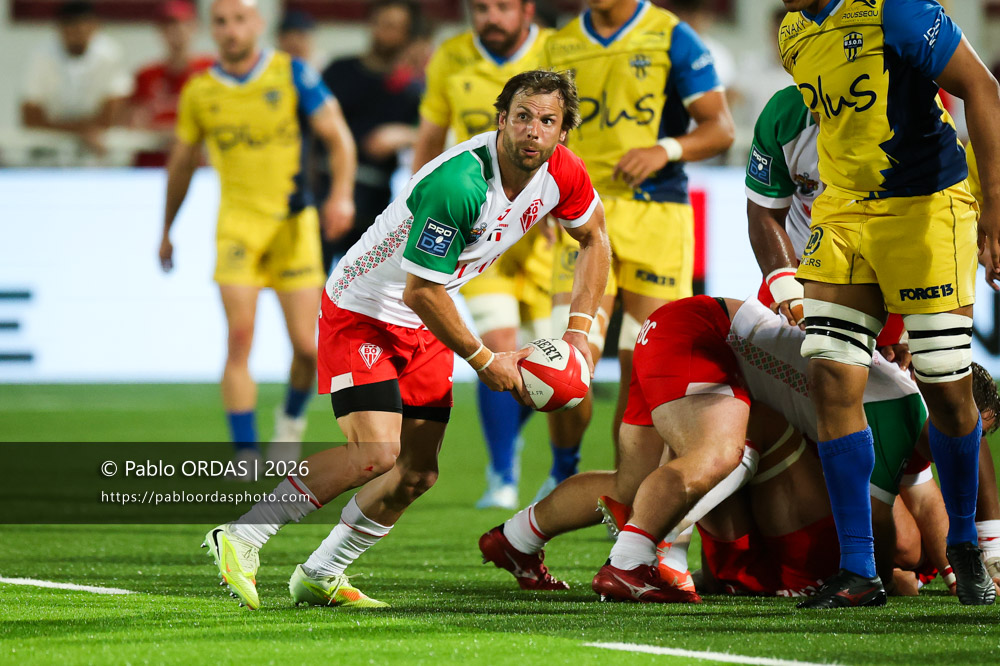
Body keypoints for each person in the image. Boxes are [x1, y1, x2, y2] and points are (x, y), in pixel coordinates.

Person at [202, 70, 612, 611]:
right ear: (500, 119)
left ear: (563, 132)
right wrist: (485, 359)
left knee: (417, 473)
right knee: (374, 453)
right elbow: (421, 290)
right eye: (522, 116)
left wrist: (579, 334)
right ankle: (242, 536)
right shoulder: (460, 184)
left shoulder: (564, 172)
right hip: (364, 310)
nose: (532, 130)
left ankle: (322, 573)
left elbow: (595, 236)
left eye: (547, 121)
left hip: (425, 320)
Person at [478, 295, 928, 602]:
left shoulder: (866, 369)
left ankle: (517, 537)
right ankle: (632, 563)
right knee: (718, 452)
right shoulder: (896, 405)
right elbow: (905, 547)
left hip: (673, 330)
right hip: (700, 336)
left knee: (633, 487)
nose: (893, 357)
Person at [778, 0, 1000, 607]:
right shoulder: (793, 34)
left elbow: (983, 87)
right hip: (845, 211)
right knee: (829, 373)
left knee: (945, 383)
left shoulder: (898, 10)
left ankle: (963, 543)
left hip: (928, 209)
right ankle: (858, 570)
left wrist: (996, 212)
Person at [542, 0, 734, 498]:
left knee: (644, 376)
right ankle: (564, 470)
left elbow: (721, 128)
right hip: (581, 216)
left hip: (657, 218)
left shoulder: (672, 37)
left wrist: (664, 149)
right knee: (563, 365)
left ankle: (625, 495)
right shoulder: (557, 44)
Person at [158, 0, 357, 462]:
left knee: (308, 349)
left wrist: (341, 194)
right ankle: (245, 454)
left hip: (293, 227)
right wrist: (167, 228)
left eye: (239, 20)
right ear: (212, 29)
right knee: (239, 339)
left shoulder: (293, 74)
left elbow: (338, 135)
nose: (230, 31)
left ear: (258, 24)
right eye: (221, 22)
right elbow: (182, 164)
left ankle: (289, 422)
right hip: (237, 229)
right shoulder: (200, 91)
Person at [411, 0, 559, 510]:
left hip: (542, 235)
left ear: (526, 9)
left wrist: (557, 209)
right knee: (496, 343)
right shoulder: (450, 57)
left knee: (553, 361)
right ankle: (502, 473)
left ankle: (562, 466)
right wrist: (416, 202)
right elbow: (431, 137)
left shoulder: (557, 52)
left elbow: (566, 142)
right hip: (480, 235)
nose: (490, 17)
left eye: (501, 7)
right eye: (480, 7)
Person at [316, 0, 423, 274]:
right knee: (311, 284)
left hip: (375, 201)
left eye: (398, 28)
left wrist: (404, 134)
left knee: (360, 290)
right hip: (324, 190)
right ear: (371, 25)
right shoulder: (339, 71)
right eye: (384, 24)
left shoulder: (412, 90)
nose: (388, 33)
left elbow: (436, 133)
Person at [21, 1, 132, 158]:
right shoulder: (42, 55)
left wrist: (60, 126)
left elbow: (115, 112)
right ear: (59, 29)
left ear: (95, 26)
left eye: (83, 27)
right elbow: (30, 118)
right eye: (71, 28)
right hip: (49, 152)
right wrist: (84, 130)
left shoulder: (109, 54)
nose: (78, 34)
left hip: (97, 154)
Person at [129, 0, 214, 166]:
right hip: (151, 166)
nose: (177, 32)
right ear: (160, 31)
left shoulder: (210, 71)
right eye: (169, 26)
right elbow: (134, 123)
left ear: (194, 27)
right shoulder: (146, 75)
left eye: (183, 24)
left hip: (195, 166)